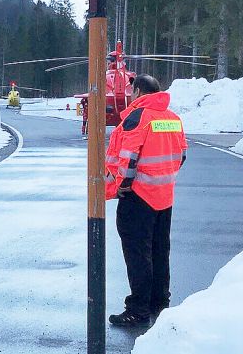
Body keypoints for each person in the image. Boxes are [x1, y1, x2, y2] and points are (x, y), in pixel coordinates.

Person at [105, 74, 187, 327]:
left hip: (138, 197)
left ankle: (138, 309)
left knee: (138, 254)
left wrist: (122, 186)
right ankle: (159, 301)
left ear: (138, 91)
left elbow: (128, 158)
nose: (130, 96)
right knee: (160, 251)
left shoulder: (137, 117)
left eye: (132, 91)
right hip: (164, 196)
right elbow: (182, 155)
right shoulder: (173, 119)